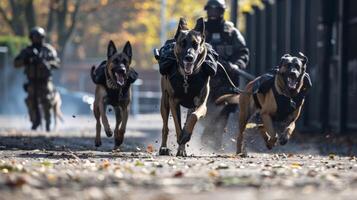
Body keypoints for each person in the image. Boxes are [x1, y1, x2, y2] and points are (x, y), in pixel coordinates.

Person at [201, 0, 250, 149]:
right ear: (207, 11)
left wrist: (236, 64)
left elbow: (243, 52)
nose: (214, 13)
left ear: (222, 11)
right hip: (205, 78)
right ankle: (207, 133)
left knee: (225, 110)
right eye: (211, 9)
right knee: (203, 109)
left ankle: (215, 140)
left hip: (227, 79)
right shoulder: (200, 30)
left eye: (217, 10)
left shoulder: (231, 31)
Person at [14, 26, 60, 131]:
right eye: (34, 37)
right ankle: (35, 121)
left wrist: (47, 64)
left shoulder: (48, 50)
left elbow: (57, 63)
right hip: (31, 81)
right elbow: (16, 63)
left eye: (39, 37)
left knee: (47, 101)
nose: (37, 39)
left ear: (42, 37)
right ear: (31, 38)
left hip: (45, 81)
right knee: (31, 102)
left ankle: (48, 122)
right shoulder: (27, 51)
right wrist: (27, 61)